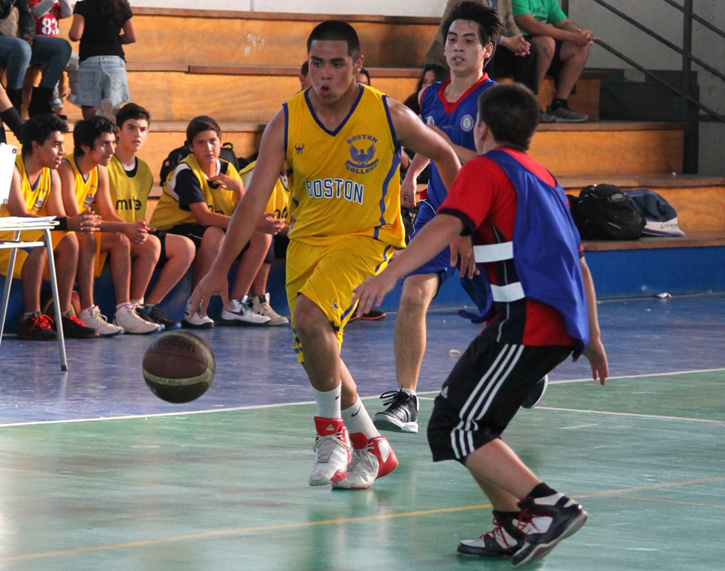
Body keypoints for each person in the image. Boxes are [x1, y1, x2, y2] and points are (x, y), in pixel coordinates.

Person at [189, 20, 460, 490]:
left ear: (357, 66)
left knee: (313, 321)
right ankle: (373, 445)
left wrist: (463, 227)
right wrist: (218, 269)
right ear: (307, 66)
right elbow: (253, 202)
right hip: (305, 247)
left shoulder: (389, 114)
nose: (326, 74)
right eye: (317, 63)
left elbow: (447, 156)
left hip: (367, 240)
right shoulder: (288, 119)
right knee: (322, 353)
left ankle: (330, 435)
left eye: (337, 64)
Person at [353, 82, 608, 567]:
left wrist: (388, 275)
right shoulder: (546, 177)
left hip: (526, 322)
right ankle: (513, 526)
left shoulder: (485, 169)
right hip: (535, 323)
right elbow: (580, 264)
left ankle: (550, 507)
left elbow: (445, 226)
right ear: (531, 134)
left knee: (455, 426)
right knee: (467, 422)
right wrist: (592, 336)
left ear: (483, 128)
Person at [373, 1, 500, 434]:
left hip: (484, 221)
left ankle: (527, 365)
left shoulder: (494, 100)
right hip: (437, 214)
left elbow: (495, 163)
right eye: (452, 39)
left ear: (487, 50)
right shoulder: (429, 95)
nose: (458, 48)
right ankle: (406, 398)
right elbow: (428, 144)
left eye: (469, 40)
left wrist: (444, 147)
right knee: (412, 298)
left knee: (502, 315)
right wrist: (413, 172)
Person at [150, 115, 284, 329]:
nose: (208, 148)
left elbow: (245, 211)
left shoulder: (229, 169)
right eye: (200, 143)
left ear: (221, 143)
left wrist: (240, 189)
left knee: (262, 234)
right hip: (173, 228)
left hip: (205, 228)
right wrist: (253, 223)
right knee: (215, 234)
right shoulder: (186, 172)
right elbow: (204, 217)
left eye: (213, 141)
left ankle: (234, 305)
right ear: (191, 148)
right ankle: (194, 308)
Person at [59, 115, 161, 335]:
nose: (112, 149)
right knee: (90, 236)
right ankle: (87, 310)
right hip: (62, 230)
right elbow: (77, 221)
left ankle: (124, 309)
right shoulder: (66, 168)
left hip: (81, 229)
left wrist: (132, 226)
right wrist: (123, 227)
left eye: (113, 143)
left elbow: (109, 214)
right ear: (85, 146)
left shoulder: (99, 170)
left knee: (121, 237)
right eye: (105, 143)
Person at [0, 113, 98, 340]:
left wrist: (77, 222)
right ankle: (31, 318)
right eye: (56, 145)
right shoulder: (7, 165)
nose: (62, 152)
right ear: (35, 146)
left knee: (69, 239)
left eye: (62, 145)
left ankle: (63, 313)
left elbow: (59, 217)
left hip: (22, 232)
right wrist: (66, 222)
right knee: (41, 239)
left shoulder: (51, 173)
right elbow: (19, 214)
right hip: (5, 233)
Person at [107, 103, 195, 330]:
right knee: (151, 245)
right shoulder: (106, 165)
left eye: (143, 129)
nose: (137, 134)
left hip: (133, 233)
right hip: (111, 233)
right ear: (117, 131)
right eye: (131, 128)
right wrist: (129, 227)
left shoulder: (144, 169)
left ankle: (146, 307)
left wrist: (142, 226)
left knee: (186, 247)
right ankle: (129, 309)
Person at [512, 0, 596, 122]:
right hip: (518, 44)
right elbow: (531, 26)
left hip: (541, 46)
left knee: (580, 47)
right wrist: (572, 37)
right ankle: (530, 104)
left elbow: (564, 22)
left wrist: (580, 33)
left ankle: (559, 104)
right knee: (547, 43)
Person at [237, 160, 291, 326]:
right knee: (265, 235)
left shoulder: (297, 173)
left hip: (284, 230)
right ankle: (258, 300)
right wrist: (299, 231)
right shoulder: (258, 172)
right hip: (242, 231)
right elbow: (258, 221)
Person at [0, 0, 72, 116]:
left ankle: (40, 105)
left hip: (15, 36)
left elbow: (25, 13)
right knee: (22, 48)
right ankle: (13, 106)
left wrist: (28, 33)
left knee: (61, 47)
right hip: (9, 42)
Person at [68, 0, 135, 119]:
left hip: (90, 61)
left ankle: (99, 117)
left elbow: (75, 35)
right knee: (115, 106)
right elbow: (131, 37)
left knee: (89, 109)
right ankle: (113, 120)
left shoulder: (84, 5)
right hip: (115, 62)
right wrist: (114, 40)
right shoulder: (122, 6)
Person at [29, 0, 72, 113]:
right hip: (38, 46)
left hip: (57, 46)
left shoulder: (55, 5)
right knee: (51, 59)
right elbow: (37, 12)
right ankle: (52, 93)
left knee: (76, 61)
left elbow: (68, 13)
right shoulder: (33, 1)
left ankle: (75, 94)